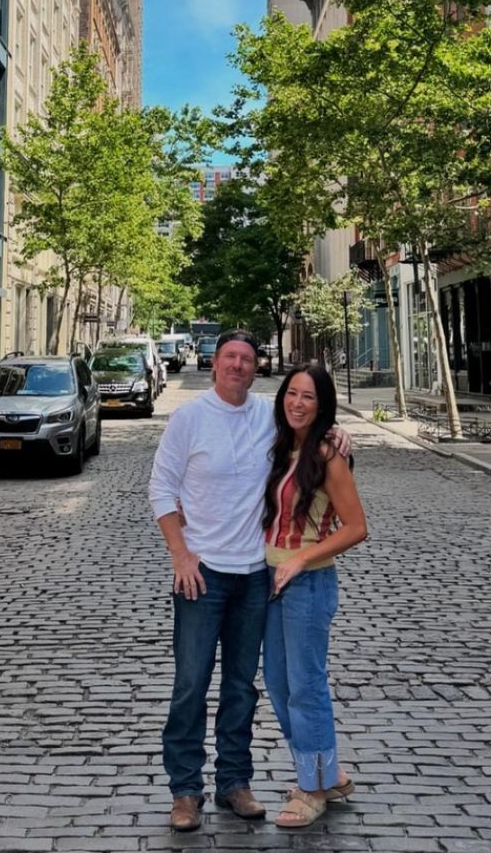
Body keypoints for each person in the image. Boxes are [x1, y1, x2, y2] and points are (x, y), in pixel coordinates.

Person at [149, 330, 351, 832]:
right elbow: (160, 488)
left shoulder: (270, 414)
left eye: (246, 359)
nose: (238, 366)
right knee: (191, 684)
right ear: (213, 364)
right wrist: (181, 554)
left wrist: (338, 432)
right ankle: (186, 791)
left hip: (257, 576)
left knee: (242, 687)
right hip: (202, 576)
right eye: (229, 358)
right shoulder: (189, 418)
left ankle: (235, 782)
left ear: (255, 366)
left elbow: (311, 423)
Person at [263, 364, 367, 828]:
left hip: (307, 583)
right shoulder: (284, 445)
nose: (298, 403)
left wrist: (301, 559)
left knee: (305, 687)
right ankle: (328, 771)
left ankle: (313, 788)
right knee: (281, 685)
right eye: (292, 393)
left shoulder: (327, 455)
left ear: (322, 405)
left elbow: (357, 527)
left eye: (308, 397)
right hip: (270, 580)